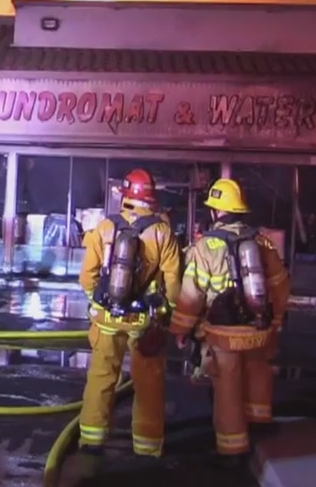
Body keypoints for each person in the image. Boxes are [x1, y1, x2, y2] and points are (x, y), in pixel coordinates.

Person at [170, 178, 292, 464]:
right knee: (258, 371)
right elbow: (280, 286)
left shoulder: (206, 247)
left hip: (223, 335)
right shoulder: (261, 242)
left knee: (228, 387)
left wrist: (180, 329)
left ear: (216, 212)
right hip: (257, 329)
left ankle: (232, 449)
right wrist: (274, 321)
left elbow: (191, 295)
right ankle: (259, 423)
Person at [75, 169, 181, 464]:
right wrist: (167, 313)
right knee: (148, 382)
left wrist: (96, 306)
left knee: (101, 377)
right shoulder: (163, 233)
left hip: (107, 318)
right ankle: (147, 446)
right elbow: (173, 282)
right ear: (152, 197)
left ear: (125, 195)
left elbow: (87, 277)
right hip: (143, 321)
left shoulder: (105, 227)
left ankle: (91, 440)